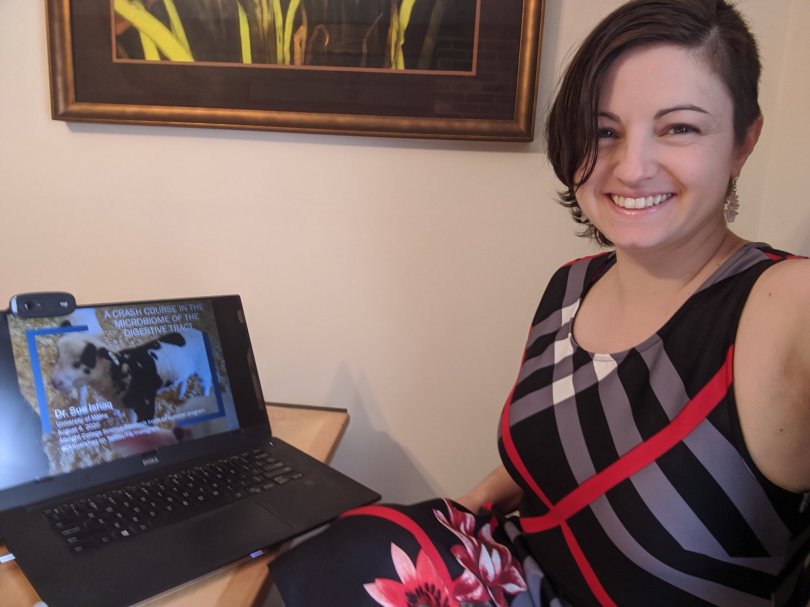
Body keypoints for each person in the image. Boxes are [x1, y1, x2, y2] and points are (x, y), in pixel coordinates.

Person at [268, 1, 810, 605]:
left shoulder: (785, 304)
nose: (630, 167)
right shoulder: (571, 287)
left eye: (679, 128)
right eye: (605, 131)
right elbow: (565, 453)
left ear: (743, 141)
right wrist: (475, 502)